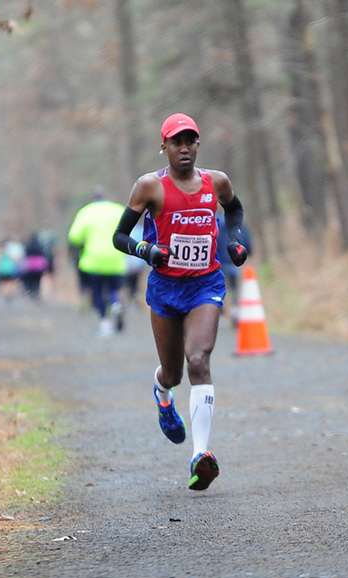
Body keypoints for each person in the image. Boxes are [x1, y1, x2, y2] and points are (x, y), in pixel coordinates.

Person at [112, 112, 248, 492]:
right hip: (166, 289)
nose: (184, 148)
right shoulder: (149, 187)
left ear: (198, 145)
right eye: (177, 142)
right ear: (165, 146)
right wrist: (147, 250)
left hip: (205, 284)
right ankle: (161, 392)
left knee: (199, 360)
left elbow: (234, 209)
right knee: (172, 373)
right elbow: (119, 236)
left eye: (190, 141)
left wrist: (234, 241)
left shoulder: (216, 181)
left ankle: (200, 455)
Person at [68, 187, 127, 337]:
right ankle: (116, 305)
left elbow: (74, 236)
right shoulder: (118, 210)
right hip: (115, 258)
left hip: (93, 260)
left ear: (93, 198)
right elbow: (128, 231)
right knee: (114, 289)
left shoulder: (86, 212)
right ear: (107, 197)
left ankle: (105, 324)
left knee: (97, 293)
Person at [216, 215, 252, 327]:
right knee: (234, 287)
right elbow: (246, 241)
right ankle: (235, 311)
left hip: (220, 260)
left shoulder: (217, 222)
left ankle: (221, 315)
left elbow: (214, 241)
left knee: (220, 287)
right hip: (235, 259)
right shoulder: (239, 223)